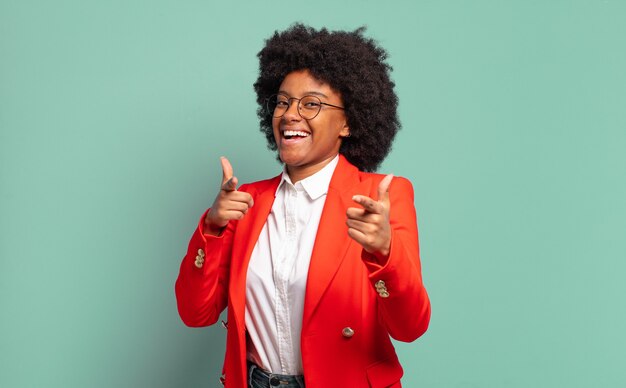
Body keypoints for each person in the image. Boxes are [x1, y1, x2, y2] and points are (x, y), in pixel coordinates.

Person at [175, 24, 431, 388]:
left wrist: (384, 252)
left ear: (347, 121)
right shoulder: (246, 202)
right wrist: (212, 228)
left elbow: (410, 328)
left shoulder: (379, 199)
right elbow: (195, 314)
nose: (291, 114)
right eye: (283, 101)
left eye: (311, 104)